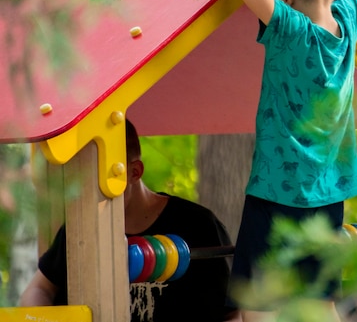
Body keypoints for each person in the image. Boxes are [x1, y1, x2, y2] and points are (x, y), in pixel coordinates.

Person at [203, 0, 357, 322]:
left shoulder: (290, 29)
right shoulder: (347, 20)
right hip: (329, 194)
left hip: (275, 192)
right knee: (321, 302)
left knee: (255, 304)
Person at [19, 119, 240, 322]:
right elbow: (39, 288)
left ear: (134, 172)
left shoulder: (198, 225)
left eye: (95, 180)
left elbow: (231, 315)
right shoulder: (80, 229)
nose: (86, 195)